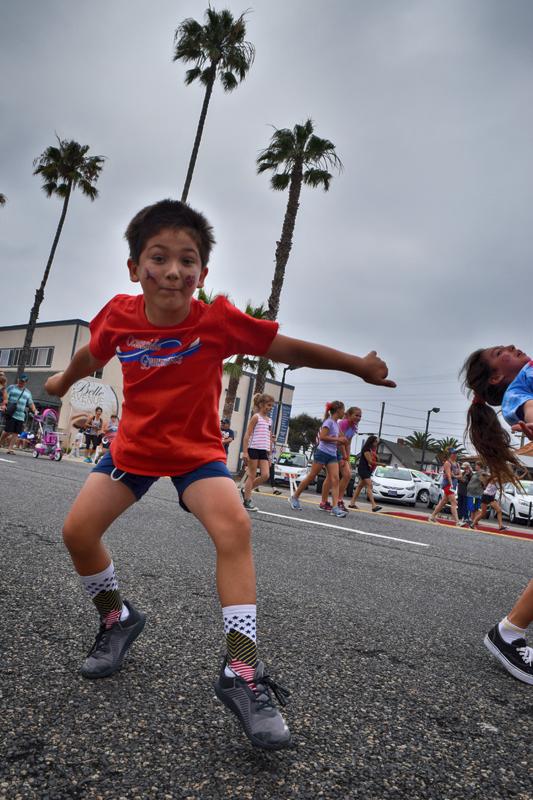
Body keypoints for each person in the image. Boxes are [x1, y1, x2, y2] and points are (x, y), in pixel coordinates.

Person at [44, 199, 395, 750]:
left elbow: (288, 347)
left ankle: (243, 673)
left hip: (195, 454)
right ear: (135, 267)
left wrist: (358, 366)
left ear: (202, 274)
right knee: (77, 533)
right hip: (132, 450)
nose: (175, 271)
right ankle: (118, 619)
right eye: (159, 257)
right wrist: (62, 383)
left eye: (188, 260)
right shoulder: (118, 315)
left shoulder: (216, 321)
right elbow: (93, 353)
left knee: (234, 526)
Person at [462, 343, 533, 684]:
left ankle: (509, 631)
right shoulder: (518, 392)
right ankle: (508, 632)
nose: (511, 346)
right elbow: (527, 409)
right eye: (500, 351)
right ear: (496, 375)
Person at [289, 401, 347, 518]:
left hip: (332, 455)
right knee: (311, 476)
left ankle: (335, 508)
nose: (344, 412)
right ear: (338, 410)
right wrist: (338, 440)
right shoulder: (329, 422)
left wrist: (342, 444)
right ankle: (294, 497)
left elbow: (341, 438)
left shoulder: (336, 424)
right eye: (343, 410)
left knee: (335, 479)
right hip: (322, 453)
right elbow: (322, 437)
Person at [320, 406, 361, 512]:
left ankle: (339, 500)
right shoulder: (343, 423)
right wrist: (343, 456)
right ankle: (324, 502)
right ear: (349, 415)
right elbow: (340, 440)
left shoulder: (354, 427)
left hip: (342, 453)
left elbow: (348, 443)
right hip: (334, 450)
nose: (358, 418)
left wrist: (347, 458)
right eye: (356, 415)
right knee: (331, 477)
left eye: (360, 416)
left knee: (347, 475)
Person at [241, 393, 275, 511]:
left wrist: (270, 455)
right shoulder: (256, 417)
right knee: (252, 475)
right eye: (268, 405)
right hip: (253, 448)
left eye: (271, 406)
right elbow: (247, 434)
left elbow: (269, 437)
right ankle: (247, 500)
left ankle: (246, 490)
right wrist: (245, 452)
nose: (270, 408)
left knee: (266, 475)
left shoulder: (270, 420)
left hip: (264, 450)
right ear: (261, 404)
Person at [0, 374, 37, 454]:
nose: (21, 382)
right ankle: (0, 441)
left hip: (21, 416)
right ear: (18, 380)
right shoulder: (11, 388)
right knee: (7, 431)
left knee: (16, 433)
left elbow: (30, 403)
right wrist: (4, 405)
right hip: (11, 413)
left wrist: (35, 410)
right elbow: (5, 397)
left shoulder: (27, 392)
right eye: (20, 381)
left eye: (23, 381)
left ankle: (10, 449)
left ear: (26, 382)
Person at [348, 435, 382, 512]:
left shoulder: (371, 450)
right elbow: (370, 461)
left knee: (360, 486)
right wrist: (380, 464)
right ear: (372, 441)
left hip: (367, 469)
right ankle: (374, 505)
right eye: (376, 441)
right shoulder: (366, 449)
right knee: (369, 485)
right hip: (363, 469)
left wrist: (377, 457)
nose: (377, 443)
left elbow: (373, 459)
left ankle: (352, 503)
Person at [428, 448, 461, 526]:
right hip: (448, 485)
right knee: (454, 502)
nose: (455, 455)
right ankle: (458, 522)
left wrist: (455, 476)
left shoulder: (457, 464)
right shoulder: (447, 463)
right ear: (451, 454)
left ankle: (432, 517)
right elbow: (449, 475)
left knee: (443, 502)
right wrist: (451, 483)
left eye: (456, 453)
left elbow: (460, 476)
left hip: (453, 485)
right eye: (454, 453)